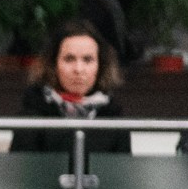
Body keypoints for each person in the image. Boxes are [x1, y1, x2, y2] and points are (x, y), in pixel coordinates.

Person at [9, 20, 132, 156]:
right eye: (69, 59)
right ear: (53, 64)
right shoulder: (32, 117)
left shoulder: (115, 120)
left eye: (87, 60)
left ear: (100, 66)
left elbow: (122, 174)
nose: (78, 69)